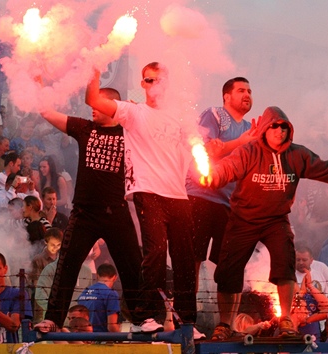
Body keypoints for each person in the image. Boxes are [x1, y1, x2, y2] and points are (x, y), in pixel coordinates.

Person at [201, 106, 328, 340]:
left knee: (285, 261)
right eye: (274, 126)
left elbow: (327, 169)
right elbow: (227, 168)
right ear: (265, 130)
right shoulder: (248, 151)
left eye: (284, 126)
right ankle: (225, 324)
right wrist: (213, 176)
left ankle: (286, 318)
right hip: (243, 219)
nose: (279, 130)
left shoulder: (297, 155)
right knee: (229, 270)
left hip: (276, 219)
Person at [85, 63, 197, 331]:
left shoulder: (179, 118)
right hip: (148, 191)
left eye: (159, 80)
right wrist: (95, 74)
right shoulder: (134, 112)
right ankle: (146, 317)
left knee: (184, 258)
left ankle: (187, 321)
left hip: (179, 195)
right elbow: (93, 100)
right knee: (156, 252)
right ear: (143, 83)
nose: (154, 84)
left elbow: (196, 149)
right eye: (149, 79)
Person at [34, 85, 142, 333]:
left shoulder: (130, 131)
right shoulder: (85, 127)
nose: (92, 106)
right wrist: (37, 81)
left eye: (99, 103)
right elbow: (47, 112)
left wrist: (135, 109)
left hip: (117, 209)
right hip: (84, 213)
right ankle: (53, 319)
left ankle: (143, 320)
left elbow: (150, 123)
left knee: (132, 267)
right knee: (67, 265)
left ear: (113, 106)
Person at [186, 77, 256, 279]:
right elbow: (204, 152)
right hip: (200, 197)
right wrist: (239, 142)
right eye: (241, 90)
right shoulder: (214, 114)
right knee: (193, 258)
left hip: (230, 204)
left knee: (229, 264)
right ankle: (188, 310)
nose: (247, 95)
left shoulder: (249, 128)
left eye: (250, 92)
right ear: (227, 96)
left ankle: (225, 311)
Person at [77, 264, 121, 332]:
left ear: (97, 276)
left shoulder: (85, 292)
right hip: (101, 338)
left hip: (84, 337)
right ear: (115, 277)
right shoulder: (111, 294)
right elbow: (112, 327)